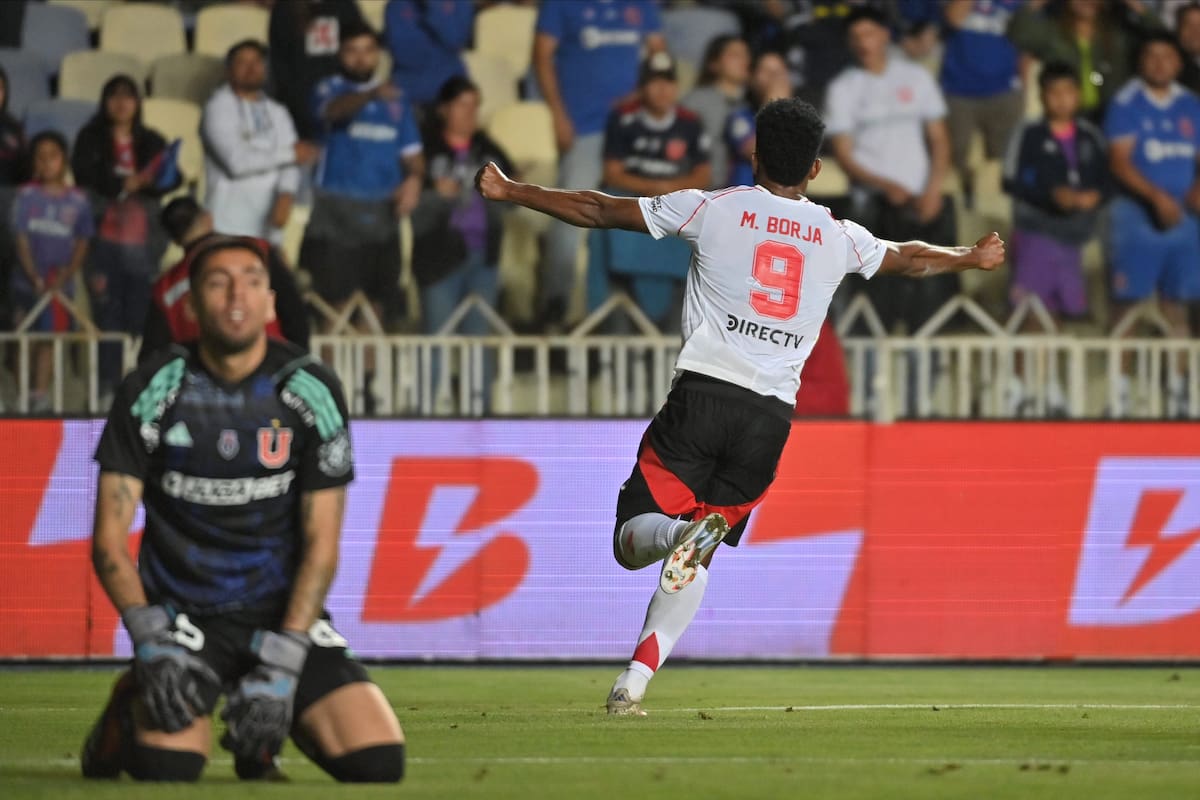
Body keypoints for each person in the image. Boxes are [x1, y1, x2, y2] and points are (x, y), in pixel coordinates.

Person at [475, 97, 1004, 714]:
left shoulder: (712, 207)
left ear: (753, 155)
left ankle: (676, 532)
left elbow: (596, 208)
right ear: (815, 170)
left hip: (703, 395)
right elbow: (910, 257)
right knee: (697, 554)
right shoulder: (837, 235)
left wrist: (513, 191)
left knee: (630, 540)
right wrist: (968, 256)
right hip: (768, 422)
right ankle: (633, 684)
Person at [80, 234, 405, 783]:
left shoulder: (310, 389)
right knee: (166, 767)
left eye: (252, 281)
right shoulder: (152, 388)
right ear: (191, 304)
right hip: (184, 618)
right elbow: (109, 541)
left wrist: (285, 659)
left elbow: (322, 546)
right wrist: (151, 641)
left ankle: (272, 728)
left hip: (279, 618)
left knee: (377, 763)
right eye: (217, 281)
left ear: (271, 302)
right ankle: (129, 698)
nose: (237, 295)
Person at [825, 7, 959, 344]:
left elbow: (940, 140)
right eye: (856, 37)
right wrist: (884, 186)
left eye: (869, 33)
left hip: (920, 201)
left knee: (927, 299)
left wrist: (933, 190)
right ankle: (871, 383)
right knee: (874, 299)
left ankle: (924, 383)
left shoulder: (915, 78)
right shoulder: (844, 88)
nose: (863, 43)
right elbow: (844, 154)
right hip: (873, 206)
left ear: (885, 35)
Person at [533, 0, 666, 330]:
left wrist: (640, 95)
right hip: (585, 128)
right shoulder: (561, 6)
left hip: (635, 128)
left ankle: (653, 310)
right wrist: (558, 115)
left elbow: (659, 57)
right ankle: (555, 303)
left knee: (657, 209)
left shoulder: (640, 5)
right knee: (568, 212)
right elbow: (541, 56)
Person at [301, 19, 424, 329]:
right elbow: (332, 112)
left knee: (375, 308)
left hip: (383, 212)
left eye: (368, 50)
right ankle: (329, 377)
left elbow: (413, 154)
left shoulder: (397, 102)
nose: (360, 58)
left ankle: (367, 378)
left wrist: (414, 179)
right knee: (335, 307)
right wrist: (370, 95)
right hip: (336, 210)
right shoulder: (328, 89)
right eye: (352, 51)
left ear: (378, 54)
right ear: (340, 55)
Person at [1001, 62, 1109, 416]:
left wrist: (1093, 196)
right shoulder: (1029, 133)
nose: (1061, 99)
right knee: (1031, 309)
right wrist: (1052, 195)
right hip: (1036, 230)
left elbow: (1108, 181)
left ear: (1077, 95)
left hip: (1074, 238)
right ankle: (1018, 387)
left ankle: (1049, 385)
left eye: (1068, 92)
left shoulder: (1090, 136)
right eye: (1053, 92)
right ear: (1043, 96)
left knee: (1058, 312)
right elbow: (1010, 180)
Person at [1104, 32, 1200, 417]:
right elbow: (1120, 161)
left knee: (1176, 304)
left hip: (1184, 219)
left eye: (1167, 57)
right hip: (1136, 216)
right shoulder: (1126, 103)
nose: (1159, 64)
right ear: (1141, 61)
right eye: (1151, 56)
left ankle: (1178, 391)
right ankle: (1119, 393)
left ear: (1178, 63)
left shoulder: (1192, 105)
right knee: (1126, 305)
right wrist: (1156, 197)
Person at [72, 74, 181, 398]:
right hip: (102, 243)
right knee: (108, 316)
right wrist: (123, 185)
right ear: (105, 102)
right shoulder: (90, 138)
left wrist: (149, 181)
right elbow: (84, 175)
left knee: (140, 317)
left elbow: (172, 179)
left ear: (138, 103)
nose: (121, 103)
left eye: (128, 96)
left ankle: (140, 388)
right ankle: (107, 388)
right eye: (114, 96)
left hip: (142, 244)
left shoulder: (150, 139)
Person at [410, 76, 513, 409]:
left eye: (475, 104)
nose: (471, 112)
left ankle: (478, 412)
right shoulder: (423, 150)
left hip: (483, 255)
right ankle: (428, 413)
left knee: (478, 341)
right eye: (463, 104)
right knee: (436, 339)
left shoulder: (489, 149)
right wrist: (434, 194)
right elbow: (407, 202)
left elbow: (515, 194)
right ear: (444, 109)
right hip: (438, 257)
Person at [596, 51, 712, 330]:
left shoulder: (690, 122)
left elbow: (703, 174)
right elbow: (612, 172)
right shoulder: (623, 119)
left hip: (675, 206)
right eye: (654, 82)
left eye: (668, 82)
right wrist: (656, 190)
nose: (662, 89)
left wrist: (666, 190)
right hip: (634, 205)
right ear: (642, 86)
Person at [140, 196, 310, 363]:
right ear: (208, 219)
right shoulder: (258, 252)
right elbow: (294, 315)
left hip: (197, 384)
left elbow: (152, 357)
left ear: (174, 240)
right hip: (271, 376)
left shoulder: (165, 288)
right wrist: (298, 371)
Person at [202, 40, 319, 244]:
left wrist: (287, 193)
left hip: (269, 222)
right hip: (227, 221)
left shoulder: (277, 111)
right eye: (243, 63)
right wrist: (290, 154)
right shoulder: (218, 107)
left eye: (257, 62)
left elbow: (292, 164)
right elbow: (237, 163)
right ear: (229, 70)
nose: (251, 68)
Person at [10, 131, 93, 411]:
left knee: (48, 339)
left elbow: (82, 241)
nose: (47, 163)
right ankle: (21, 394)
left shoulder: (78, 201)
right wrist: (33, 275)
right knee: (25, 338)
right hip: (27, 284)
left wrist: (66, 275)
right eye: (40, 158)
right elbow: (20, 238)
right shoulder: (26, 195)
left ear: (64, 160)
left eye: (52, 157)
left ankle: (39, 394)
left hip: (59, 286)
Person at [1008, 0, 1164, 121]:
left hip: (1114, 116)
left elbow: (1159, 35)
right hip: (1068, 117)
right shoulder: (1053, 33)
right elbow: (1017, 33)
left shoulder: (1118, 34)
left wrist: (1133, 3)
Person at [938, 0, 1025, 205]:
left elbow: (1029, 31)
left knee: (1004, 162)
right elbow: (954, 18)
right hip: (958, 89)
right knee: (956, 161)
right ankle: (965, 211)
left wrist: (1023, 86)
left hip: (1003, 89)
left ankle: (996, 214)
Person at [268, 0, 368, 139]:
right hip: (300, 106)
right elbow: (280, 65)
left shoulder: (345, 5)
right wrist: (298, 108)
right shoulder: (285, 8)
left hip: (344, 101)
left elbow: (360, 45)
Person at [682, 34, 752, 189]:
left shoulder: (749, 104)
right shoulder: (695, 102)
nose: (744, 61)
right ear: (714, 63)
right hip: (700, 192)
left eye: (746, 54)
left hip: (736, 195)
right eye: (735, 55)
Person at [383, 0, 472, 110]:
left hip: (450, 87)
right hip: (409, 89)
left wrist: (431, 6)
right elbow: (404, 56)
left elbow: (455, 40)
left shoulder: (460, 3)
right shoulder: (395, 6)